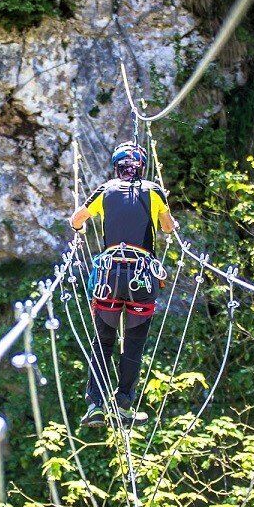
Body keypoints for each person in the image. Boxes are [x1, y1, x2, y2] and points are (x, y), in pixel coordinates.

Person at [69, 141, 177, 427]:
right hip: (142, 278)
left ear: (115, 167)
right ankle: (124, 406)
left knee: (103, 342)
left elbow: (76, 219)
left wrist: (79, 229)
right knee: (134, 344)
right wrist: (165, 220)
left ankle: (95, 404)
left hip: (109, 278)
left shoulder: (104, 191)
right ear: (141, 167)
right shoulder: (154, 191)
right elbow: (168, 227)